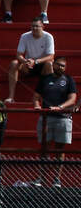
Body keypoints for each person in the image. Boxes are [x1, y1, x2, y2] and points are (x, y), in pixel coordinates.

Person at [35, 57, 75, 188]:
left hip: (63, 118)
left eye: (63, 66)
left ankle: (57, 179)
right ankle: (40, 177)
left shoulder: (69, 80)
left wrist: (61, 107)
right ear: (53, 65)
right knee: (44, 148)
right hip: (46, 117)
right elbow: (36, 97)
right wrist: (36, 105)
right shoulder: (45, 79)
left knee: (60, 149)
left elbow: (72, 98)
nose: (61, 68)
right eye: (59, 65)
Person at [8, 16, 55, 103]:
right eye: (33, 26)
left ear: (42, 27)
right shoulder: (25, 36)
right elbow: (19, 55)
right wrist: (25, 61)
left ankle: (49, 98)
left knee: (49, 64)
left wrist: (36, 62)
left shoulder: (48, 37)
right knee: (14, 63)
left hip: (42, 65)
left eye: (37, 26)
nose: (34, 28)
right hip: (28, 65)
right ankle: (11, 97)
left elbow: (51, 56)